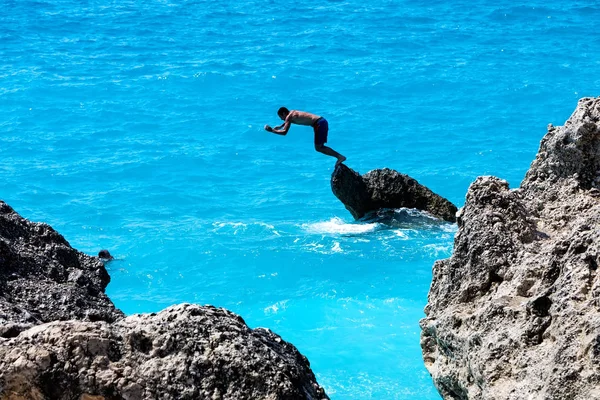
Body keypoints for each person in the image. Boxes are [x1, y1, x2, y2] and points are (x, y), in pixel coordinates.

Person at [265, 107, 347, 166]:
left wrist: (272, 131)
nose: (281, 119)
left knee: (319, 148)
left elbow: (284, 132)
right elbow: (288, 121)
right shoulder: (293, 112)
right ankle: (339, 157)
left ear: (283, 114)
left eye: (281, 117)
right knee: (320, 147)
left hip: (319, 124)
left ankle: (340, 157)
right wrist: (280, 126)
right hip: (322, 121)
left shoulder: (289, 117)